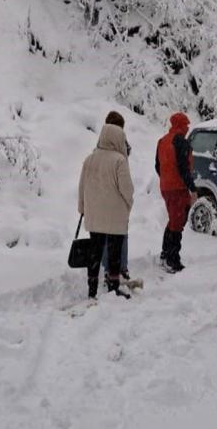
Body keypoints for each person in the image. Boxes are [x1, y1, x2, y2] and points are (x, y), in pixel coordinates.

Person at [78, 121, 134, 299]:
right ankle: (113, 287)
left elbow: (82, 187)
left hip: (94, 216)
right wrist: (128, 205)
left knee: (94, 252)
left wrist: (82, 208)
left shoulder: (89, 159)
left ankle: (92, 288)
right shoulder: (119, 161)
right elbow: (127, 189)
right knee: (114, 253)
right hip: (115, 216)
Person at [155, 112, 197, 273]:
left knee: (174, 220)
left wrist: (166, 178)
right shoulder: (181, 142)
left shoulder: (162, 141)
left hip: (166, 188)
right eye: (186, 125)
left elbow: (157, 166)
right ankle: (173, 260)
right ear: (180, 125)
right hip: (178, 189)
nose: (187, 128)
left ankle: (165, 253)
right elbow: (184, 168)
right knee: (178, 222)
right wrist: (192, 189)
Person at [101, 111, 133, 286]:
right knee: (119, 233)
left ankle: (112, 267)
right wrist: (128, 199)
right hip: (117, 194)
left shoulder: (102, 144)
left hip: (108, 193)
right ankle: (119, 267)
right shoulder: (120, 146)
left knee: (109, 234)